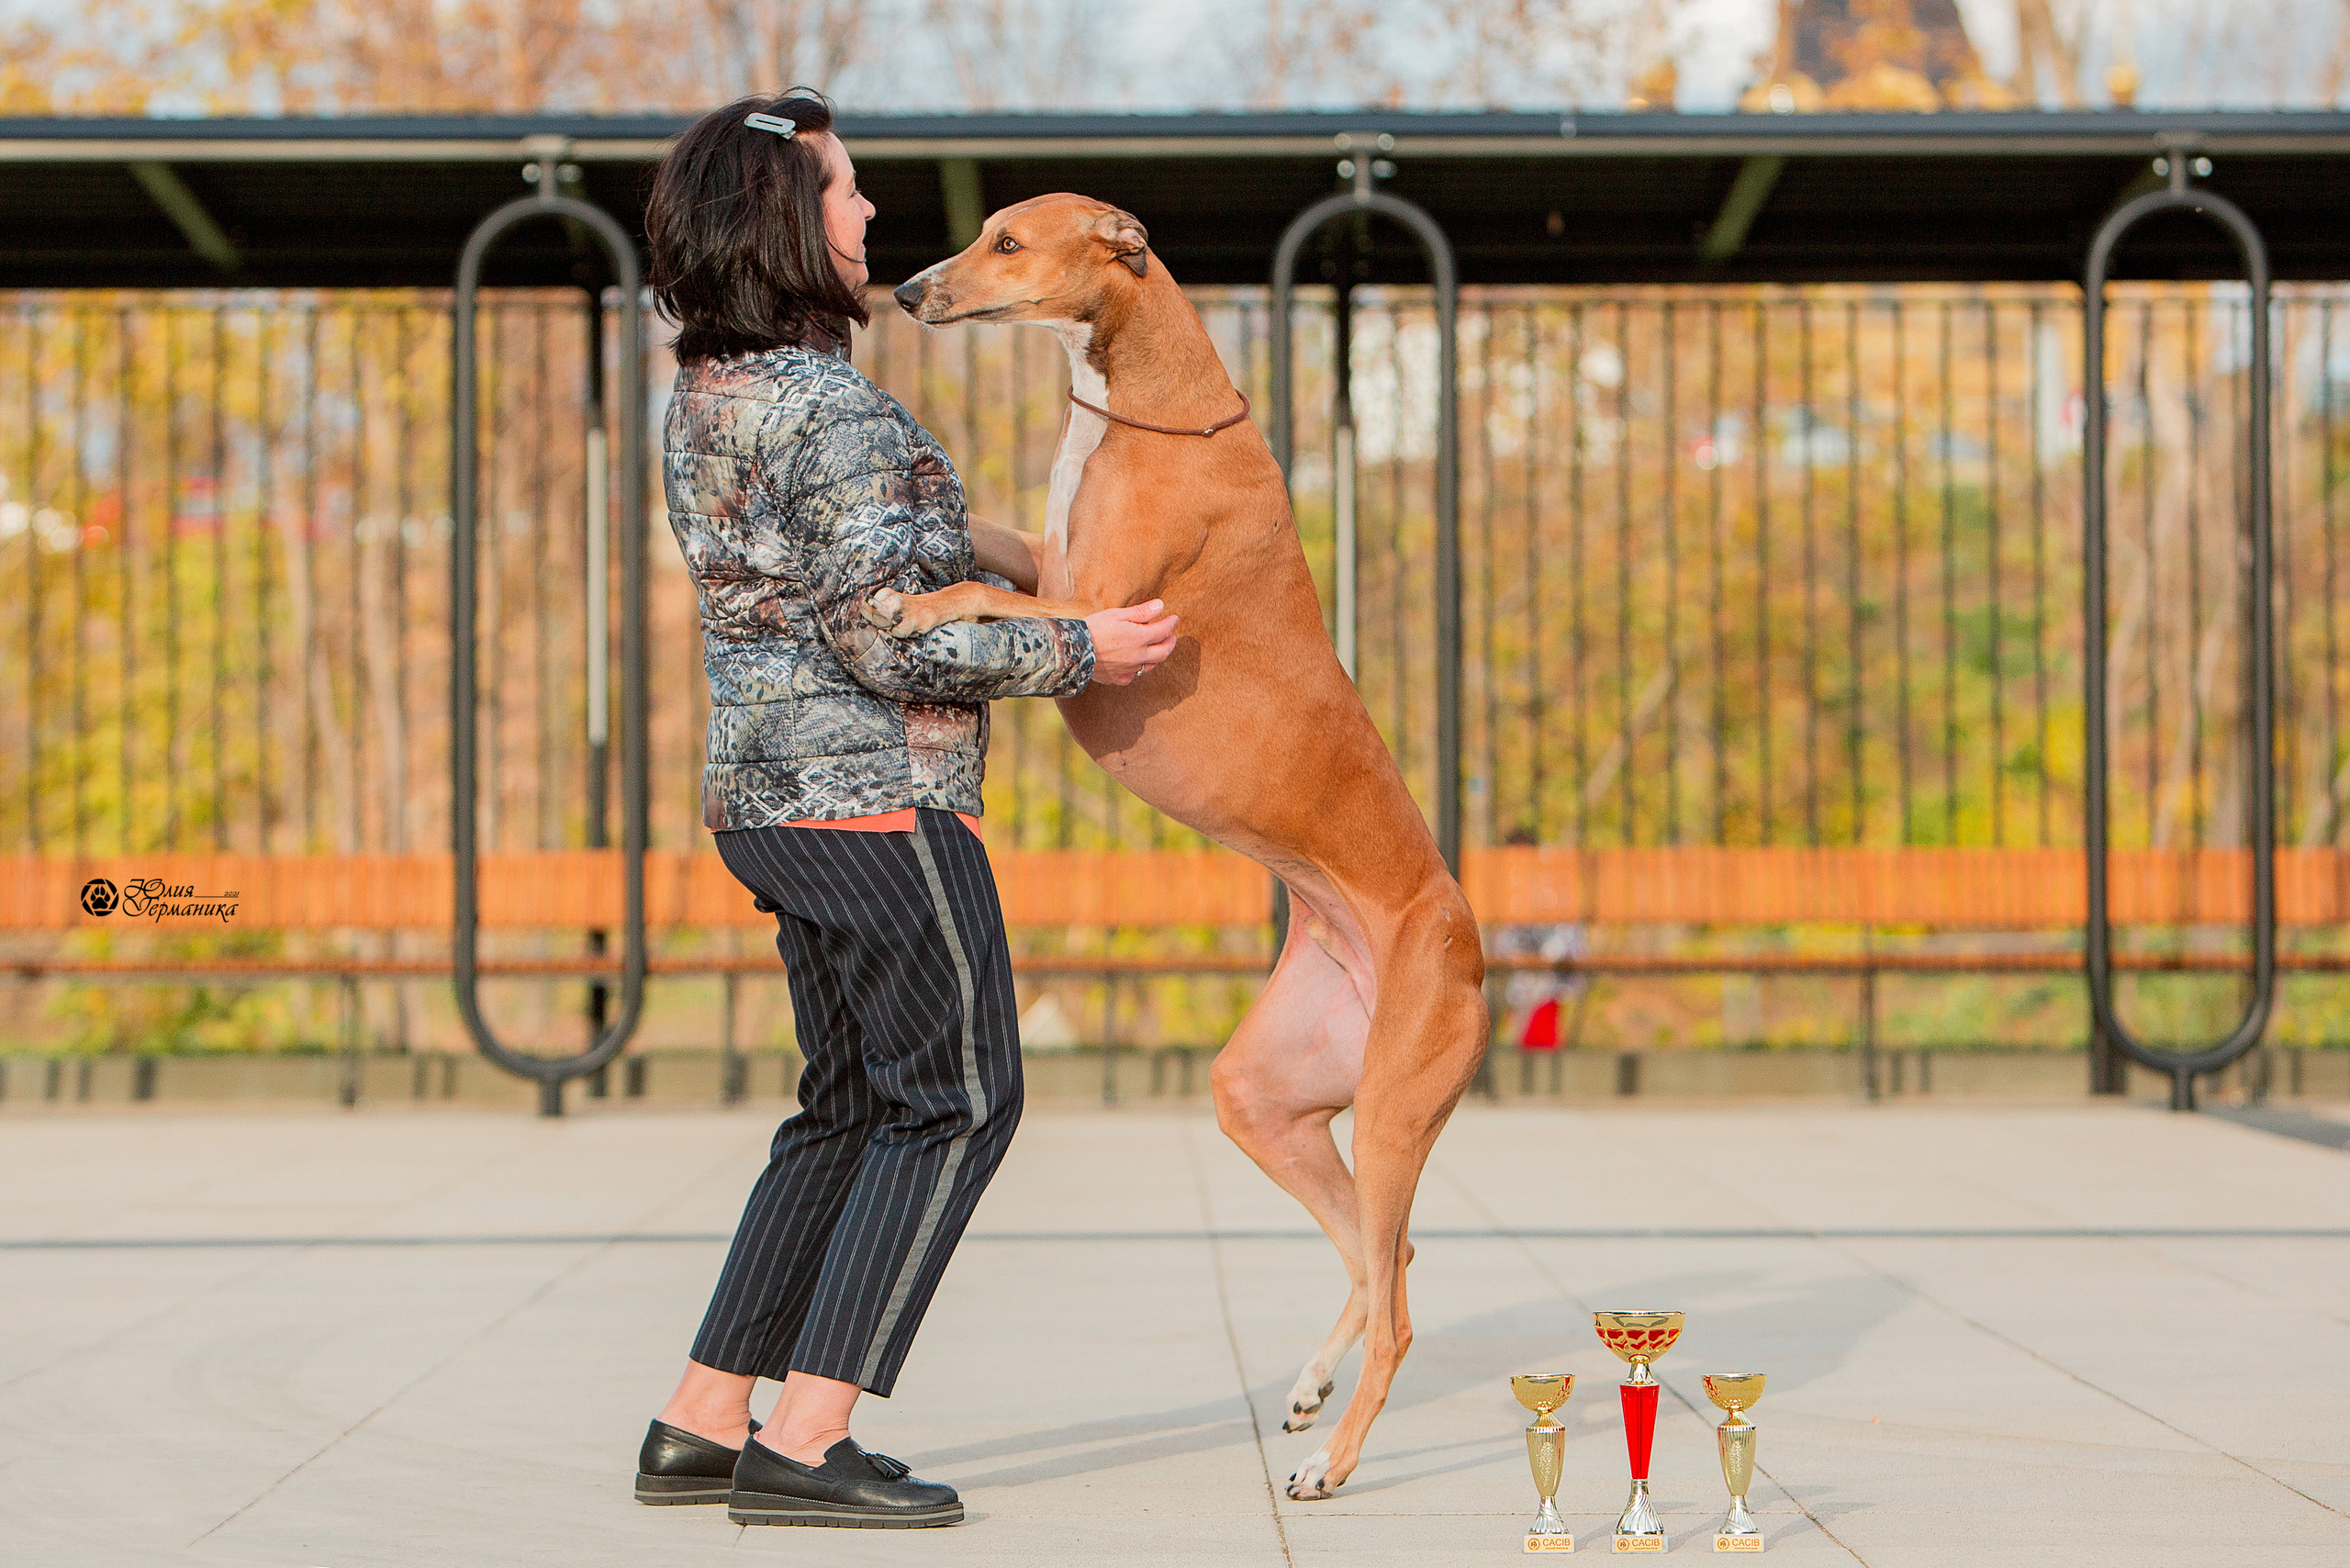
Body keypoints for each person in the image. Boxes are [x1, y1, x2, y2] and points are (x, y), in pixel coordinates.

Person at [630, 89, 1179, 1529]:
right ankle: (808, 1440)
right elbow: (889, 635)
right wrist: (1083, 646)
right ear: (781, 225)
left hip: (767, 799)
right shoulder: (836, 412)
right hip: (878, 806)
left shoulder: (711, 400)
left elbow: (833, 563)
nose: (868, 214)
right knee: (960, 1102)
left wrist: (1013, 545)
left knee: (847, 1106)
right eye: (843, 192)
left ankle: (702, 1416)